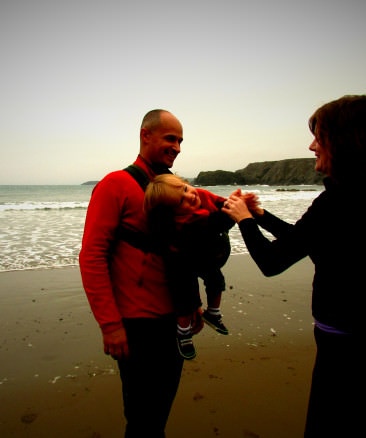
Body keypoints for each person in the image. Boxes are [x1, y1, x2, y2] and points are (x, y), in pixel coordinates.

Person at [222, 95, 366, 437]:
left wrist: (243, 220)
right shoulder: (362, 194)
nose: (312, 145)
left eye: (320, 136)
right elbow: (311, 242)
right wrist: (260, 215)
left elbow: (273, 262)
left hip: (351, 353)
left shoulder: (339, 200)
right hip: (362, 344)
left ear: (345, 140)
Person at [79, 109, 191, 437]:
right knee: (143, 419)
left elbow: (178, 254)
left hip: (174, 322)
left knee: (159, 414)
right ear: (146, 136)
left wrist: (191, 304)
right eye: (171, 139)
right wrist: (110, 325)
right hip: (137, 324)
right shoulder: (115, 184)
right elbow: (92, 257)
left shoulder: (174, 188)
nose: (178, 147)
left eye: (181, 141)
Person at [143, 174, 239, 359]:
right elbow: (221, 221)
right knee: (186, 300)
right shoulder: (189, 221)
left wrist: (230, 201)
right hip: (180, 264)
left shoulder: (199, 196)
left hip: (202, 257)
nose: (190, 196)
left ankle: (213, 313)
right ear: (171, 212)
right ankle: (183, 332)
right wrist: (237, 209)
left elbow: (218, 203)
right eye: (181, 201)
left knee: (216, 281)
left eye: (186, 189)